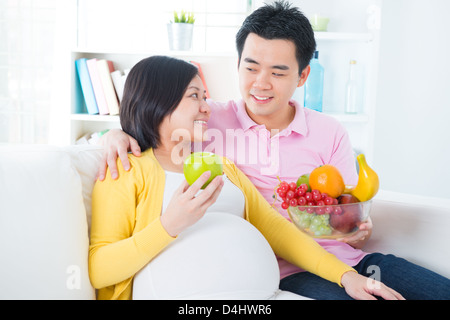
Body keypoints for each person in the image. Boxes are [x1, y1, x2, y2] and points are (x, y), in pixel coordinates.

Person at [97, 1, 450, 299]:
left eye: (278, 72)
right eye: (251, 68)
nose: (261, 83)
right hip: (283, 271)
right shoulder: (207, 123)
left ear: (302, 76)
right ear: (237, 65)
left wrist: (352, 227)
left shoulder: (328, 132)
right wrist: (115, 135)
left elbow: (345, 211)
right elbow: (157, 115)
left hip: (343, 259)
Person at [88, 55, 402, 300]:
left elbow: (280, 232)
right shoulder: (123, 170)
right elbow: (99, 269)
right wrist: (169, 225)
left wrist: (346, 277)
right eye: (194, 96)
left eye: (206, 97)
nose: (206, 108)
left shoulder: (224, 167)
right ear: (157, 100)